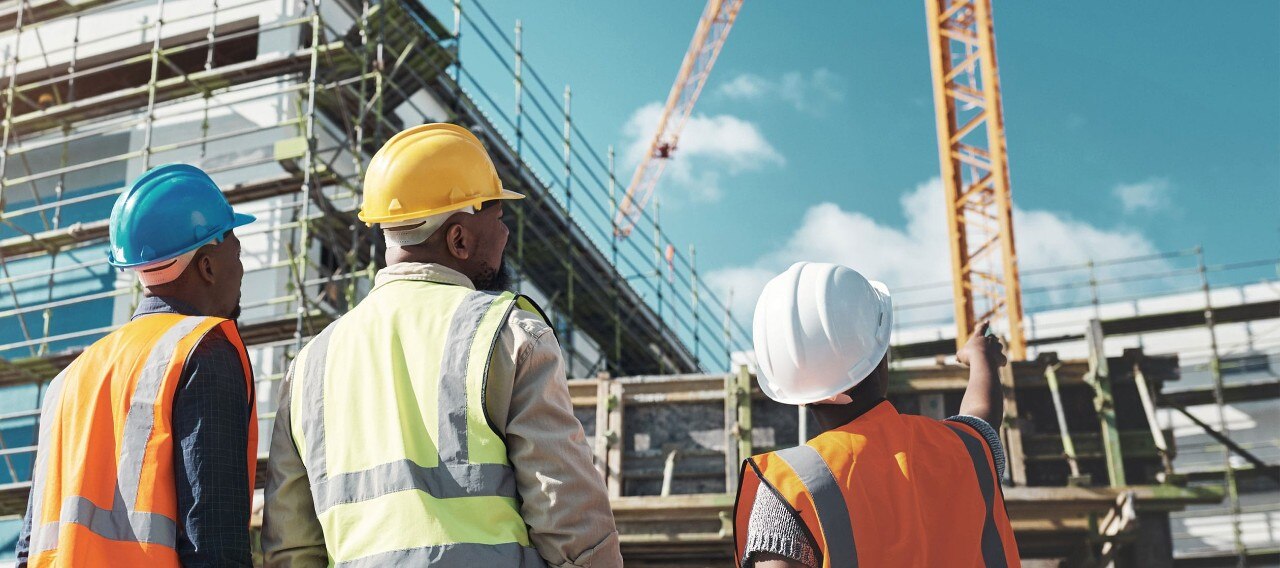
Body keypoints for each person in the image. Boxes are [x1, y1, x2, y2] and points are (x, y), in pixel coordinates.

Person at [262, 123, 622, 567]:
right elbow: (569, 518)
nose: (505, 235)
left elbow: (291, 548)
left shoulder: (309, 366)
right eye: (497, 218)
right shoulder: (508, 334)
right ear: (459, 238)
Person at [16, 164, 259, 567]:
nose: (241, 268)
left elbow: (29, 545)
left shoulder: (70, 379)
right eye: (235, 248)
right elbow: (213, 537)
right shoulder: (202, 349)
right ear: (208, 266)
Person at [734, 262, 1021, 567]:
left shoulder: (789, 487)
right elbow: (982, 416)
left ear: (800, 398)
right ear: (881, 358)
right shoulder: (966, 449)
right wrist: (982, 359)